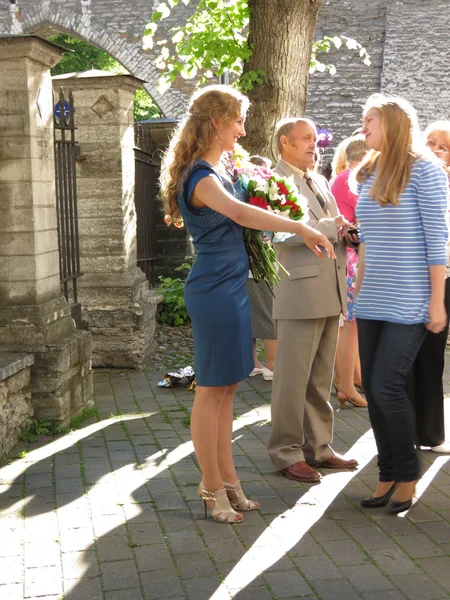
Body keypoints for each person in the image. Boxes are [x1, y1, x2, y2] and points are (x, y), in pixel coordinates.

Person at [159, 86, 335, 523]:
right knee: (211, 389)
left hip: (235, 285)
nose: (242, 128)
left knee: (229, 388)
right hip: (214, 289)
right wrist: (302, 225)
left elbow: (250, 199)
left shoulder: (223, 167)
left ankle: (230, 481)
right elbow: (239, 214)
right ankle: (211, 486)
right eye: (238, 120)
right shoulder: (201, 176)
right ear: (217, 122)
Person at [354, 95, 448, 514]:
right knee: (374, 393)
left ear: (392, 122)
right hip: (372, 297)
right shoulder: (368, 171)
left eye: (369, 120)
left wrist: (438, 302)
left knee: (386, 387)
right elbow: (370, 240)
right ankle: (387, 473)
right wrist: (358, 287)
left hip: (410, 298)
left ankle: (408, 474)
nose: (363, 128)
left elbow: (437, 242)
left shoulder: (426, 169)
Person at [267, 117, 358, 484]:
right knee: (292, 379)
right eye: (305, 139)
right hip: (298, 290)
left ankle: (318, 447)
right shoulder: (273, 180)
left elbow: (332, 222)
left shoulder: (318, 179)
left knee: (320, 377)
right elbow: (277, 231)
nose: (313, 145)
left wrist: (346, 232)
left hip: (330, 289)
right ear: (285, 143)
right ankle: (285, 452)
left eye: (315, 139)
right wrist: (330, 227)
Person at [406, 120, 450, 454]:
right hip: (424, 279)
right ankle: (418, 432)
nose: (435, 150)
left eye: (444, 147)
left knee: (433, 357)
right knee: (421, 355)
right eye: (431, 142)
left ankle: (430, 432)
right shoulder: (416, 179)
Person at [331, 136, 368, 408]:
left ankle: (351, 378)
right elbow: (355, 225)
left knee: (348, 326)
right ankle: (346, 385)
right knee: (350, 327)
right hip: (352, 259)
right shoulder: (350, 180)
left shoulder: (340, 178)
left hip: (348, 258)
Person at [246, 155, 277, 381]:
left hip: (250, 264)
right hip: (256, 265)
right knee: (268, 314)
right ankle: (272, 366)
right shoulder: (253, 201)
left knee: (252, 315)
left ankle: (252, 363)